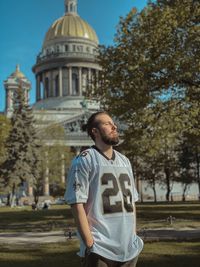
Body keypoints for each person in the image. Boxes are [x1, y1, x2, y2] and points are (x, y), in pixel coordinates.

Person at [64, 111, 143, 267]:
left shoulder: (124, 161)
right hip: (100, 249)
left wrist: (133, 235)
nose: (114, 127)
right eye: (107, 124)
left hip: (128, 248)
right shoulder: (84, 160)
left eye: (113, 123)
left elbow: (131, 202)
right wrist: (90, 243)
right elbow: (76, 203)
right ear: (95, 131)